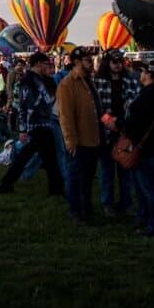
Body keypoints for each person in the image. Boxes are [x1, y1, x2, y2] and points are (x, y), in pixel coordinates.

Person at [109, 61, 154, 236]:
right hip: (147, 144)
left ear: (150, 75)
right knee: (141, 184)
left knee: (146, 185)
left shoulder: (151, 95)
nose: (140, 73)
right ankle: (144, 216)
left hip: (141, 145)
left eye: (143, 71)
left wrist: (118, 123)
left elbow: (139, 121)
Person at [0, 52, 63, 197]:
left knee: (28, 156)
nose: (48, 67)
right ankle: (57, 189)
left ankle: (6, 184)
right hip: (37, 125)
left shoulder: (38, 80)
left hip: (43, 124)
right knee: (49, 159)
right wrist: (23, 129)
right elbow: (23, 106)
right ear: (38, 64)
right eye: (46, 64)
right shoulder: (28, 81)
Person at [58, 47, 102, 224]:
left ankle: (86, 206)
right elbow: (65, 115)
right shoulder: (67, 85)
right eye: (87, 60)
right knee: (76, 177)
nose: (91, 63)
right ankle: (75, 210)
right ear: (76, 62)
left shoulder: (88, 81)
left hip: (93, 137)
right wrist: (70, 139)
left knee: (88, 177)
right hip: (79, 140)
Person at [93, 50, 140, 216]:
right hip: (105, 132)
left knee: (125, 170)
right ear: (107, 63)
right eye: (114, 62)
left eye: (120, 61)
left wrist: (122, 123)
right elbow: (96, 107)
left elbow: (136, 104)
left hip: (124, 131)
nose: (118, 65)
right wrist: (108, 121)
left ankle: (126, 203)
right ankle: (108, 204)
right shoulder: (98, 81)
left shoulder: (130, 81)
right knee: (106, 171)